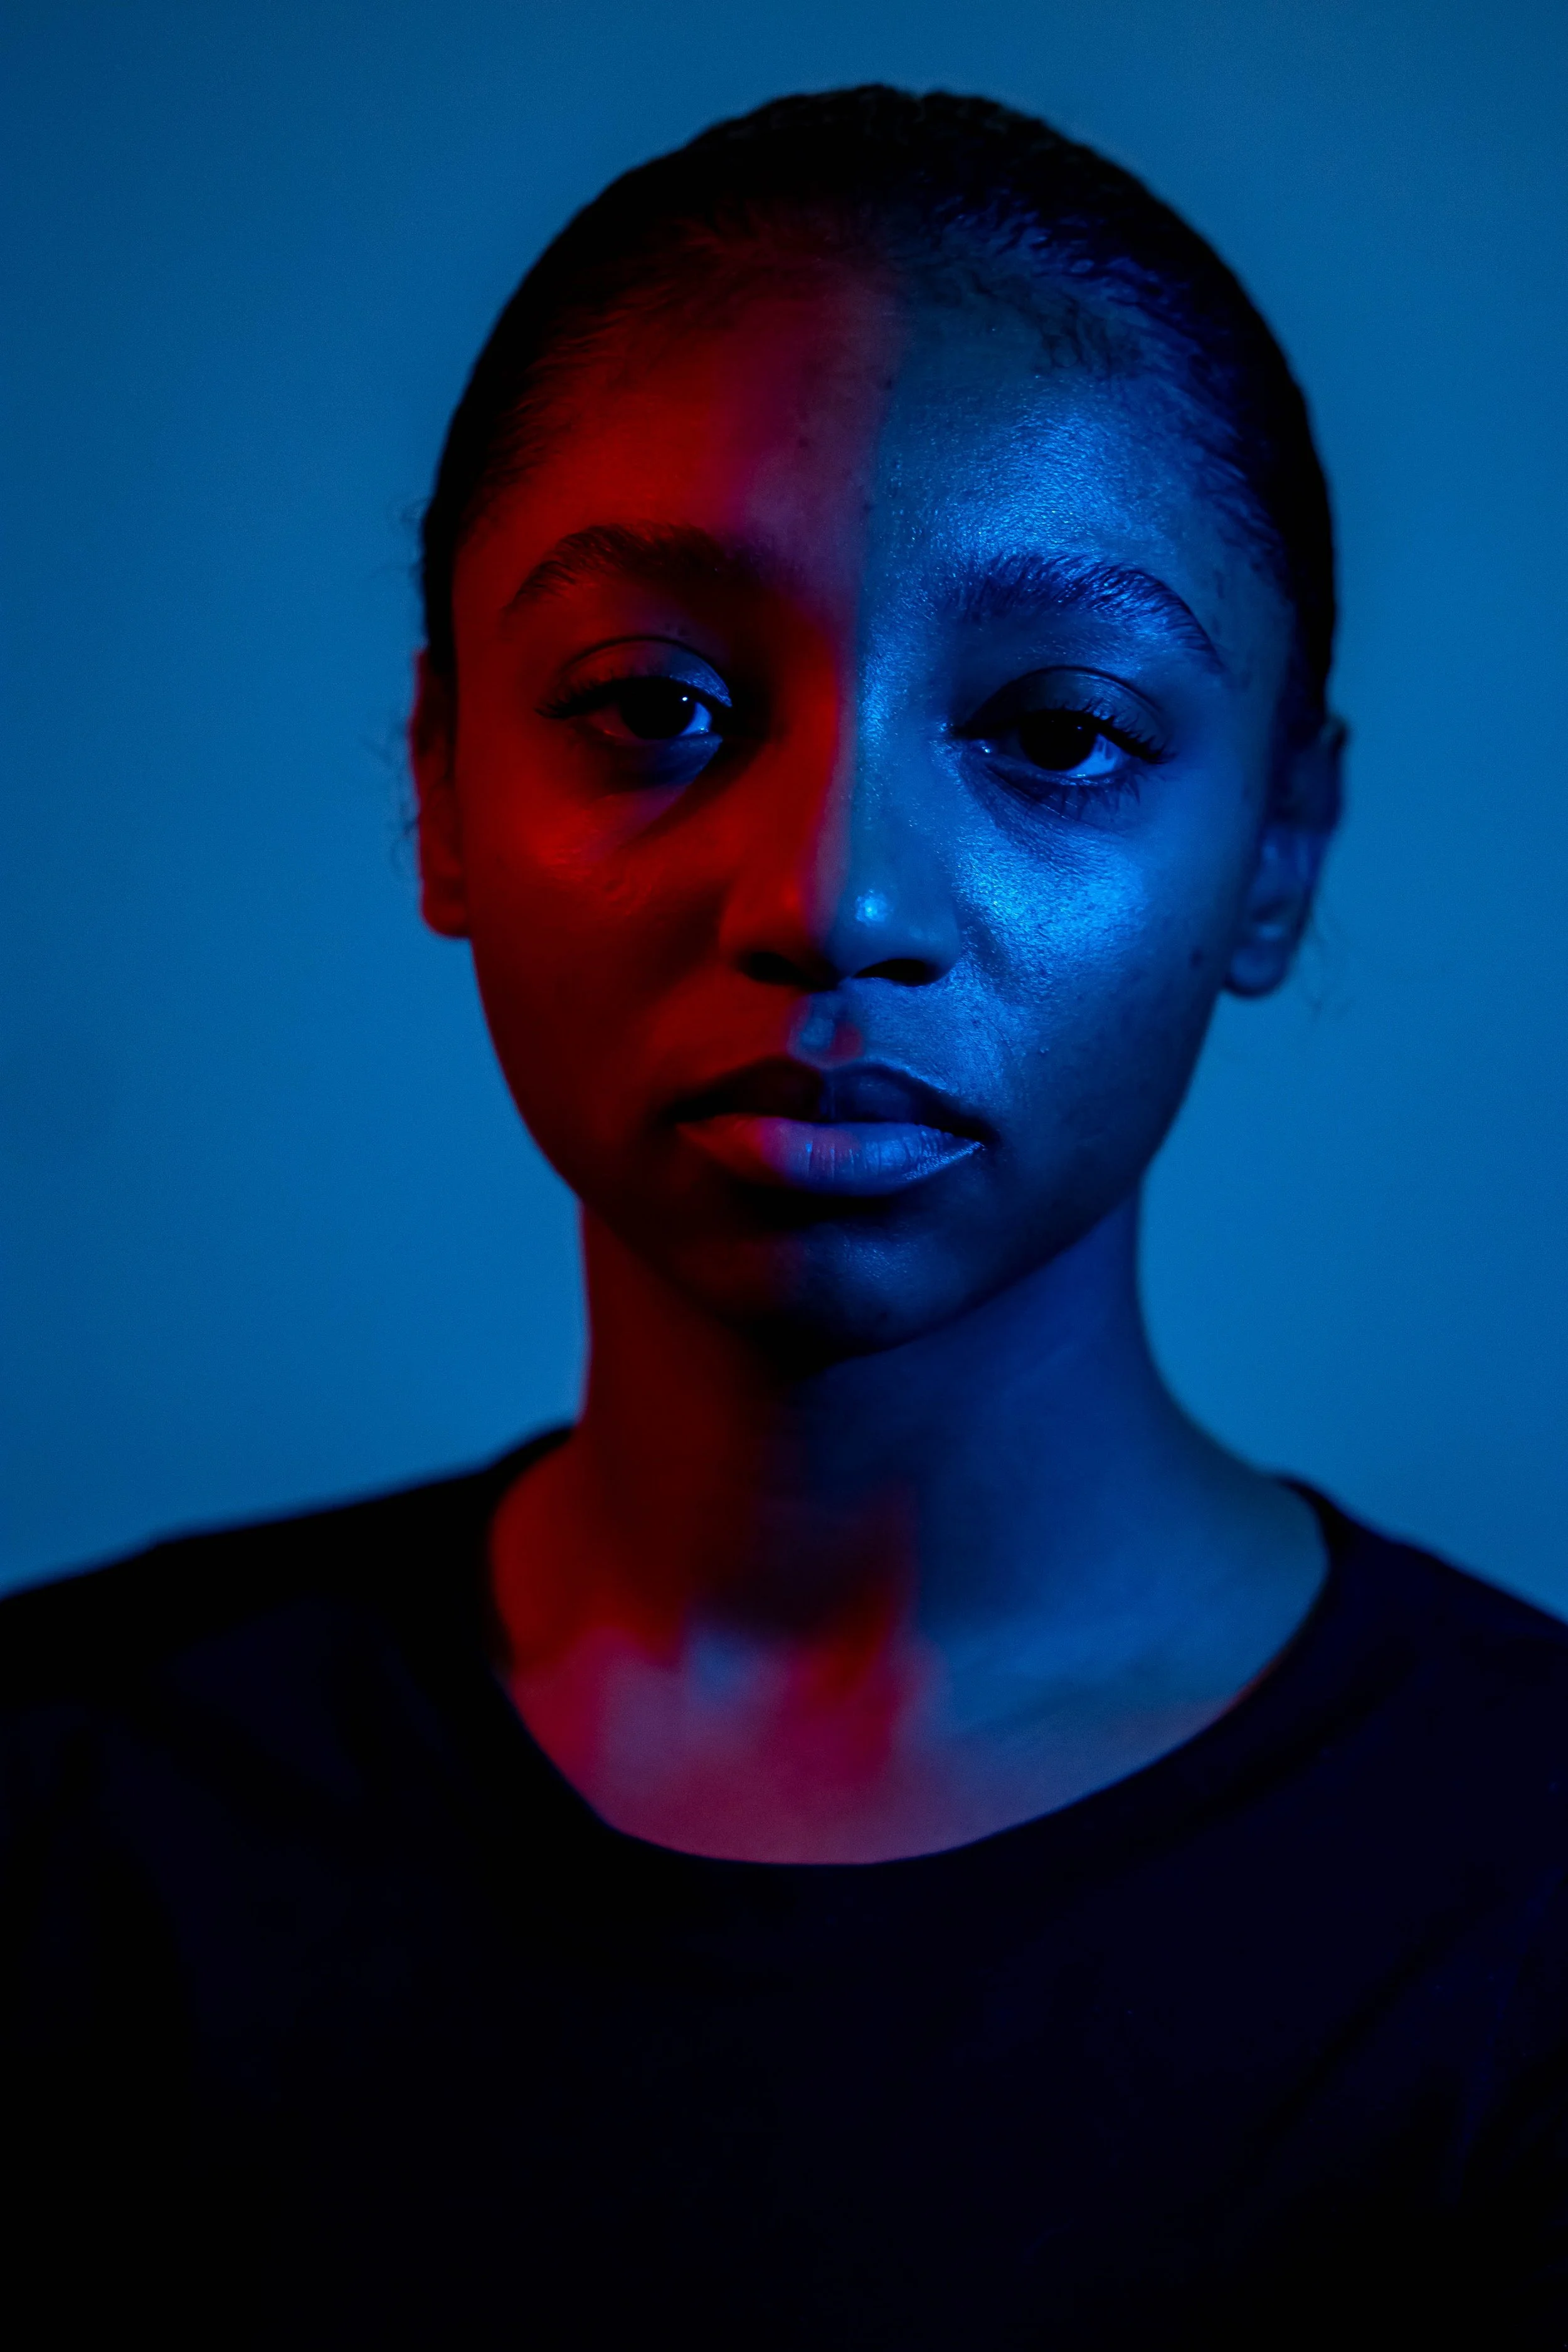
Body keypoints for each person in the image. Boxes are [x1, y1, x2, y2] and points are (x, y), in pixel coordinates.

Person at [3, 85, 1564, 2351]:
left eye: (1053, 731)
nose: (831, 897)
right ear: (438, 785)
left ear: (1280, 847)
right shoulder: (68, 1817)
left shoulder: (1516, 1913)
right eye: (652, 706)